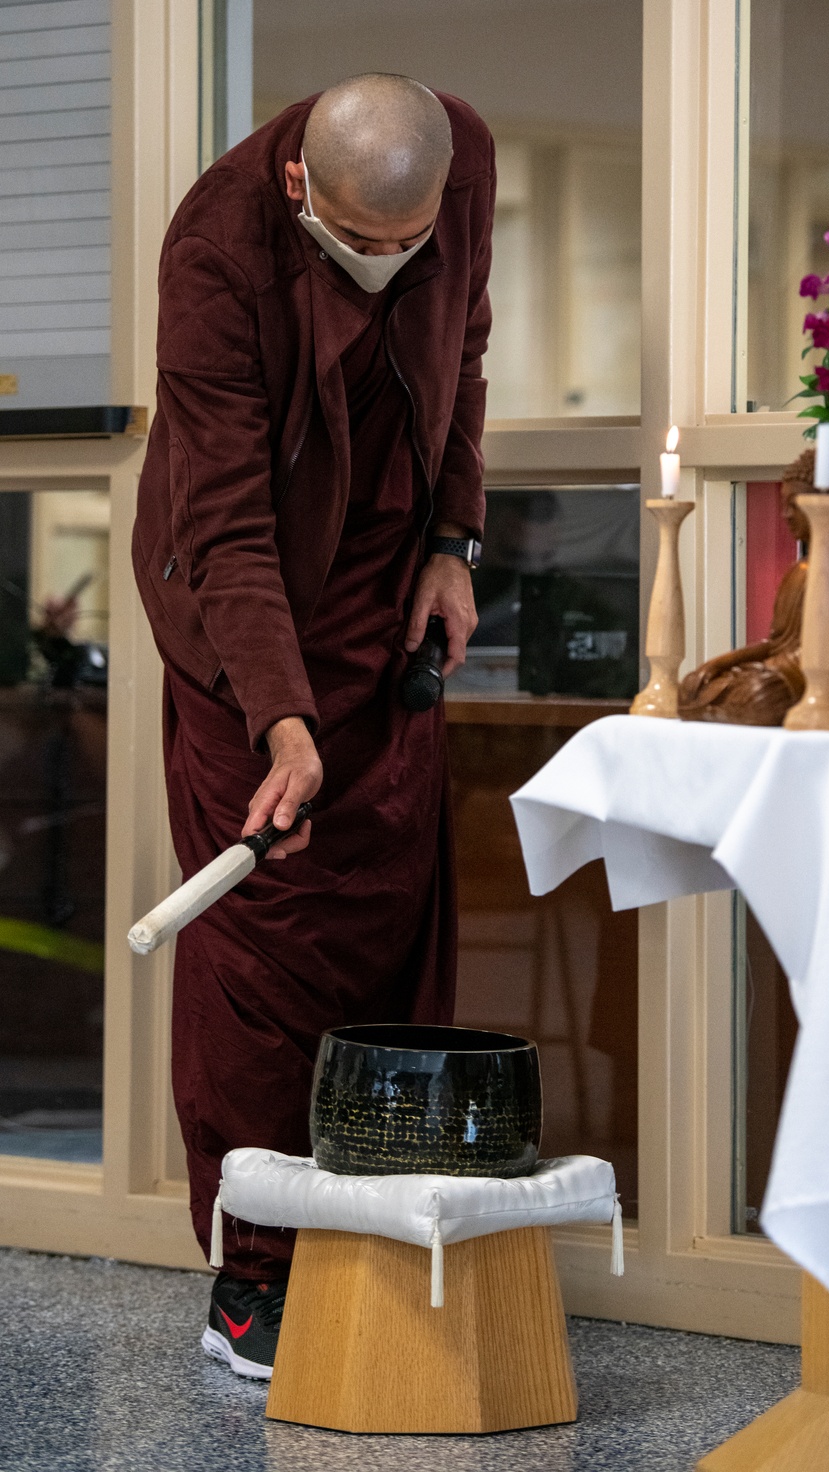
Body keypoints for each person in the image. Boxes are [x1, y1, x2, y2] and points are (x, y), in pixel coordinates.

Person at [132, 74, 494, 1378]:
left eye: (413, 248)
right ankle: (255, 1277)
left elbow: (464, 354)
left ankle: (378, 1237)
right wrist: (278, 718)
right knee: (263, 938)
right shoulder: (214, 248)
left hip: (383, 591)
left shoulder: (461, 161)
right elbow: (223, 519)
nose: (390, 272)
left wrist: (454, 543)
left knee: (390, 911)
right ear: (299, 191)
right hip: (244, 610)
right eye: (360, 248)